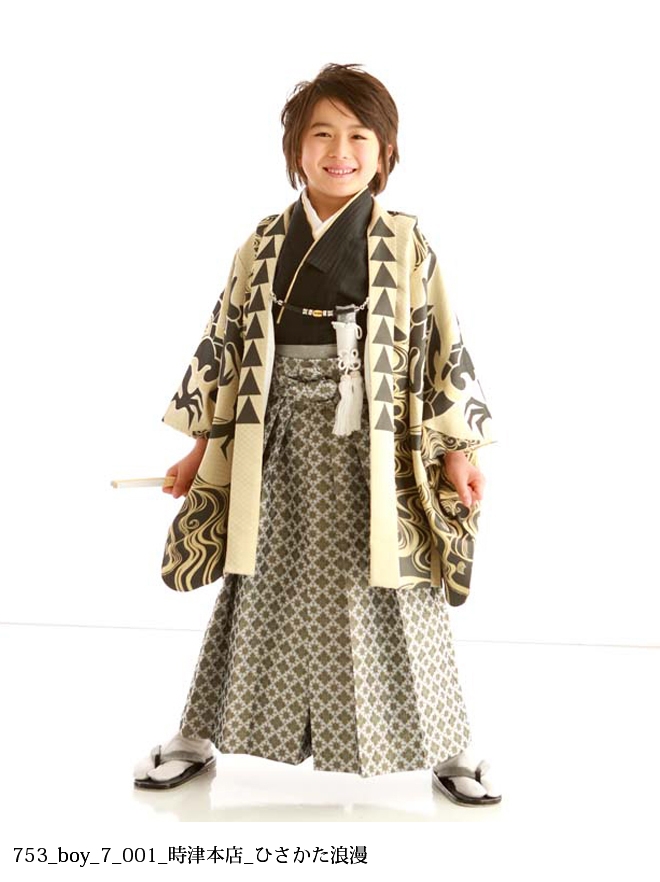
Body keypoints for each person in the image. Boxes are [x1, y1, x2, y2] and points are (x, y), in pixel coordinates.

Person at [133, 63, 501, 807]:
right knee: (257, 582)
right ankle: (197, 735)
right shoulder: (265, 244)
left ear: (384, 152)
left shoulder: (406, 243)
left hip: (380, 447)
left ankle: (451, 747)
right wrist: (201, 450)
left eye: (359, 136)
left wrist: (458, 449)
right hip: (277, 444)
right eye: (321, 134)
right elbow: (226, 346)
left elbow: (440, 344)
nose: (340, 151)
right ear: (296, 150)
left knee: (397, 587)